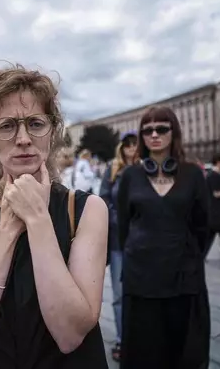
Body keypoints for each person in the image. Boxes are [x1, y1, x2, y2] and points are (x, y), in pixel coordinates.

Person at [0, 66, 109, 368]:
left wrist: (38, 219)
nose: (23, 138)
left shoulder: (87, 210)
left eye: (35, 123)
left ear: (52, 131)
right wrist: (9, 225)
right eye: (7, 126)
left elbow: (70, 333)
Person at [116, 106, 210, 369]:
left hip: (184, 276)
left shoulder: (192, 174)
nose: (154, 134)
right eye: (147, 130)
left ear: (173, 132)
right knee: (144, 351)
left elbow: (203, 225)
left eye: (162, 128)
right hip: (140, 278)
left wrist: (189, 255)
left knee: (184, 351)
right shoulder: (130, 176)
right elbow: (123, 226)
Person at [98, 130, 137, 362]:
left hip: (143, 242)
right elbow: (104, 200)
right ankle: (123, 340)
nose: (131, 149)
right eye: (127, 145)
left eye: (135, 144)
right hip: (118, 240)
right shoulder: (113, 169)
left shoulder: (147, 168)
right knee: (120, 294)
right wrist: (118, 218)